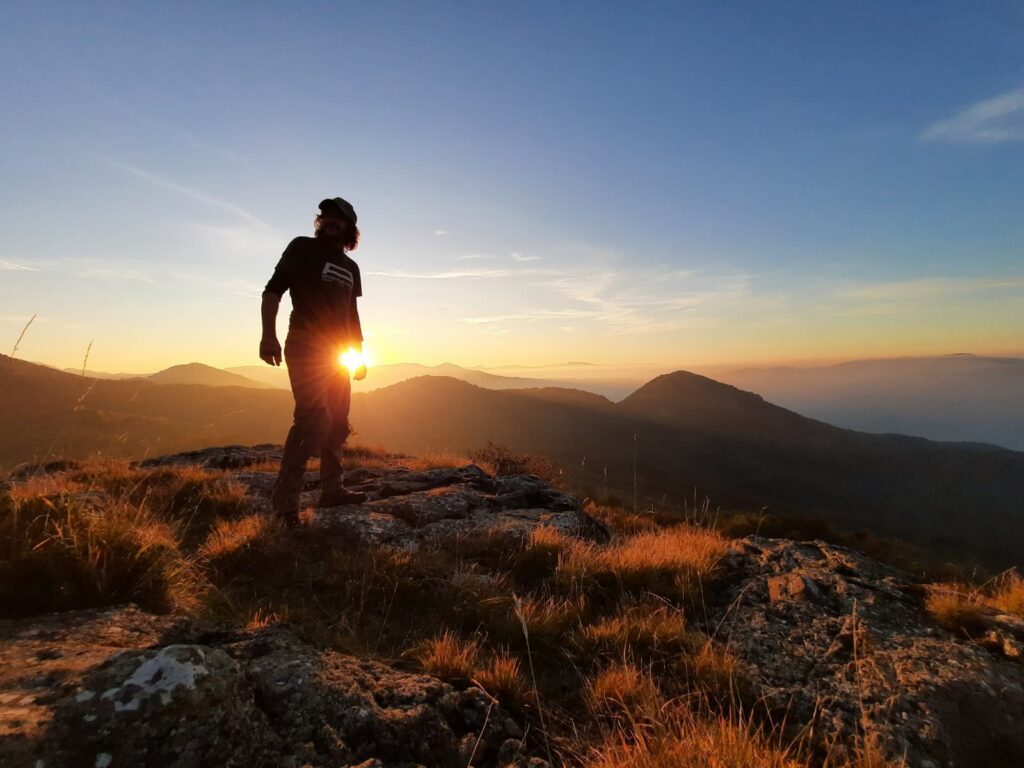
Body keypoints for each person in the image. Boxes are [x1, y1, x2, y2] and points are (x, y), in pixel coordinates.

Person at [260, 197, 368, 525]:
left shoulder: (351, 268)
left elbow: (351, 313)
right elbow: (272, 291)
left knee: (338, 420)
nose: (331, 221)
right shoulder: (302, 248)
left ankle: (332, 490)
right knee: (312, 419)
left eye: (340, 218)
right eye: (327, 216)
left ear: (350, 228)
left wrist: (358, 354)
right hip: (305, 346)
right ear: (320, 221)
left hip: (336, 356)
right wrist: (268, 335)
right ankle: (285, 506)